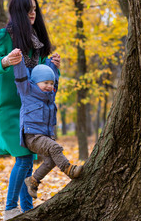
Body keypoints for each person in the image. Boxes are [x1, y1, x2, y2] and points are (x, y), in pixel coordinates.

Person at [0, 0, 61, 220]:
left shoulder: (36, 41)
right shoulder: (6, 36)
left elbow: (43, 79)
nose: (32, 14)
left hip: (29, 108)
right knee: (24, 157)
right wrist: (5, 60)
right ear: (18, 13)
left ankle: (27, 209)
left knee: (29, 157)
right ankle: (9, 209)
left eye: (35, 9)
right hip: (6, 107)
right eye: (28, 10)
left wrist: (53, 66)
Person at [13, 55, 83, 200]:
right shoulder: (27, 92)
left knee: (51, 161)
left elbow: (54, 80)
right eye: (46, 83)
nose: (50, 86)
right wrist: (19, 62)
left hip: (45, 136)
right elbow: (20, 77)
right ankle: (68, 169)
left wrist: (53, 65)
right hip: (32, 136)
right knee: (55, 148)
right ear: (36, 82)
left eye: (51, 83)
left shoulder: (49, 97)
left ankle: (33, 181)